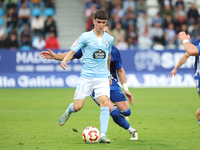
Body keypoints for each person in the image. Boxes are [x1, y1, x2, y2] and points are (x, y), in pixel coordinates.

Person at [40, 23, 138, 140]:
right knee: (108, 110)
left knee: (126, 112)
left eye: (106, 32)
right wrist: (55, 56)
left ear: (109, 33)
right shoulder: (89, 44)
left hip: (111, 82)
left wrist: (126, 89)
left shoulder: (113, 49)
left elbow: (120, 70)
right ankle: (131, 131)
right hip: (93, 81)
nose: (104, 35)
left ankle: (115, 119)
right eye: (102, 32)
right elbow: (71, 54)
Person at [41, 9, 114, 143]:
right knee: (78, 106)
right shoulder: (85, 37)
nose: (101, 25)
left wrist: (108, 74)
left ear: (106, 23)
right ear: (93, 21)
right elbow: (72, 51)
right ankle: (69, 111)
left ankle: (103, 135)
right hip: (86, 77)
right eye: (99, 22)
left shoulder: (109, 39)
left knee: (105, 102)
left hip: (102, 77)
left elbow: (108, 57)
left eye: (103, 22)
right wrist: (64, 60)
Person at [169, 31, 200, 126]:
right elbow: (187, 54)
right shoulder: (197, 42)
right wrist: (175, 68)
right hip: (198, 77)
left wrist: (185, 40)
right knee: (198, 114)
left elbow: (191, 51)